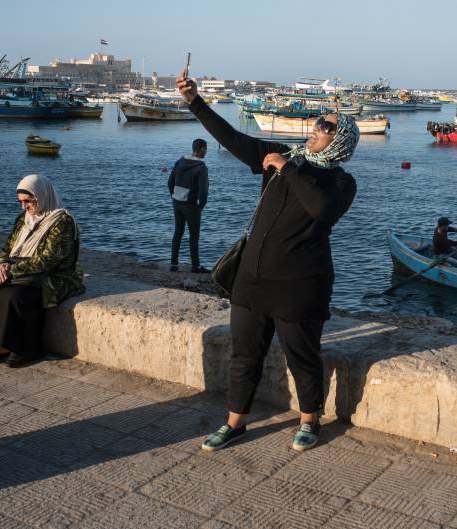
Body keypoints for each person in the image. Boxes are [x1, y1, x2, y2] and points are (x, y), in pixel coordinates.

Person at [177, 70, 358, 452]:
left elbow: (321, 210)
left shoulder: (340, 182)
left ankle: (309, 420)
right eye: (318, 121)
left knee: (302, 357)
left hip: (299, 287)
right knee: (244, 356)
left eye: (326, 125)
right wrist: (195, 102)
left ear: (340, 139)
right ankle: (235, 423)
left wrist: (287, 169)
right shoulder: (281, 155)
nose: (316, 127)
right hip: (252, 280)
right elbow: (232, 138)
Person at [0, 174, 85, 368]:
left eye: (28, 201)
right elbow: (7, 248)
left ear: (41, 196)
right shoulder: (23, 219)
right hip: (22, 269)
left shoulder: (62, 221)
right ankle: (1, 344)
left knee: (17, 295)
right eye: (21, 202)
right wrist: (0, 265)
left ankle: (27, 349)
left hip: (55, 275)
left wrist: (10, 271)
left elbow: (48, 260)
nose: (24, 207)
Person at [169, 138, 210, 273]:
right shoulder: (201, 167)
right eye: (206, 149)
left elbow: (170, 182)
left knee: (178, 233)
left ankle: (174, 264)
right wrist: (201, 206)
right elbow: (203, 191)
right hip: (191, 205)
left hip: (177, 202)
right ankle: (195, 266)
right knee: (194, 236)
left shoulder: (180, 161)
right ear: (202, 149)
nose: (206, 152)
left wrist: (174, 196)